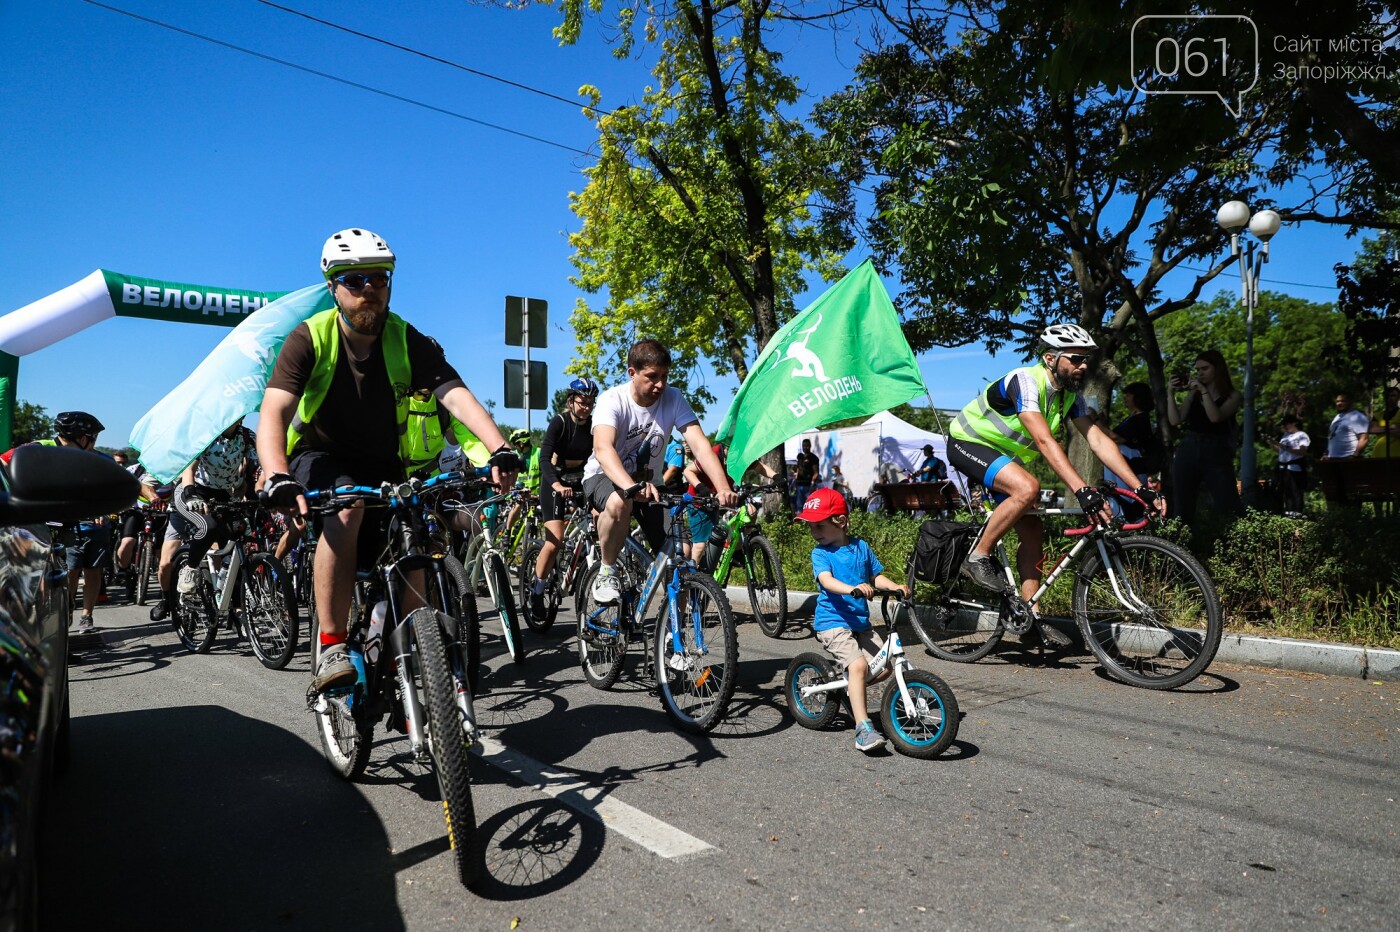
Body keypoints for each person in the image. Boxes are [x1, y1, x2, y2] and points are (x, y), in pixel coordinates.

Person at [256, 228, 518, 694]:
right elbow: (274, 411)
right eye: (354, 280)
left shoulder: (405, 337)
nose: (368, 290)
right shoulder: (310, 338)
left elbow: (455, 396)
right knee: (345, 509)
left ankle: (415, 654)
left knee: (414, 529)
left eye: (379, 278)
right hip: (319, 455)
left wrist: (499, 447)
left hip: (384, 461)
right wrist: (277, 475)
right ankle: (333, 644)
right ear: (333, 287)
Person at [945, 324, 1162, 648]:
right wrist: (1082, 489)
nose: (1083, 366)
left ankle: (1029, 615)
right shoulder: (1026, 381)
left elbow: (1098, 440)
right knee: (1027, 488)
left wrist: (1139, 487)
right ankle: (978, 556)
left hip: (1003, 457)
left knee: (1033, 531)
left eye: (1086, 359)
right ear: (1050, 358)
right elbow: (1044, 440)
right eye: (1076, 358)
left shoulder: (1069, 398)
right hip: (967, 441)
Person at [582, 339, 736, 604]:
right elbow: (603, 449)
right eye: (652, 377)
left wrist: (723, 487)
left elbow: (699, 444)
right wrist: (630, 487)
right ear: (632, 373)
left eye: (665, 376)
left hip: (650, 485)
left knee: (683, 552)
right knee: (620, 503)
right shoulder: (612, 400)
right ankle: (607, 569)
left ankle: (672, 629)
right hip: (604, 477)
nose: (660, 385)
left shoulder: (673, 398)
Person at [793, 488, 909, 753]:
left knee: (886, 667)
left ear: (841, 522)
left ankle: (851, 688)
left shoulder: (861, 547)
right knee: (858, 667)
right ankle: (863, 728)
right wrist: (852, 588)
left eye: (819, 525)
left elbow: (875, 576)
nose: (814, 532)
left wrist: (894, 587)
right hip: (833, 622)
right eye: (811, 526)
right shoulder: (820, 554)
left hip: (859, 623)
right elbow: (826, 581)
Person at [5, 412, 113, 629]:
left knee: (60, 585)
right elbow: (3, 462)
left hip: (63, 527)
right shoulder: (40, 447)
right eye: (93, 439)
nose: (94, 445)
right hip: (30, 525)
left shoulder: (81, 460)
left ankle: (60, 637)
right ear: (82, 438)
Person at [151, 420, 255, 622]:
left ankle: (234, 604)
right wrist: (191, 495)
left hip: (224, 494)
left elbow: (249, 475)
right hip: (193, 490)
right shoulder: (207, 433)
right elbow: (189, 470)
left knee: (240, 535)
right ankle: (190, 570)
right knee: (209, 526)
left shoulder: (248, 437)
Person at [526, 377, 599, 619]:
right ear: (571, 401)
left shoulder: (595, 425)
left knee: (600, 522)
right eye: (582, 402)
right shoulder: (560, 422)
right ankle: (537, 589)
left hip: (580, 479)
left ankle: (583, 570)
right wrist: (556, 484)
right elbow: (545, 458)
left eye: (591, 402)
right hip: (555, 479)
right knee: (555, 540)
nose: (587, 407)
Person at [1164, 350, 1244, 523]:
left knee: (1226, 503)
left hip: (1216, 449)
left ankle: (1232, 540)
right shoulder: (1194, 394)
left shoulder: (1233, 396)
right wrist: (1170, 393)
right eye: (1198, 369)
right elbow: (1175, 419)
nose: (1200, 373)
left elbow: (1215, 417)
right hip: (1189, 447)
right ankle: (1183, 544)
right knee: (1183, 504)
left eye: (1205, 369)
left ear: (1218, 369)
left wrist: (1203, 392)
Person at [680, 442, 775, 568]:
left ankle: (736, 551)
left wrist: (776, 476)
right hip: (700, 502)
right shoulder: (712, 452)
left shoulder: (739, 454)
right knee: (701, 545)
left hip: (724, 498)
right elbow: (688, 471)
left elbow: (759, 467)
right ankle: (691, 581)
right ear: (725, 447)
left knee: (750, 511)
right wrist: (701, 487)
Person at [1100, 381, 1159, 488]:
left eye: (1128, 395)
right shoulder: (1132, 418)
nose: (1125, 398)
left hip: (1131, 466)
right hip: (1125, 465)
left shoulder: (1140, 419)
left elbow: (1116, 438)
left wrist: (1095, 421)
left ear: (1138, 397)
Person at [1274, 414, 1310, 517]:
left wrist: (1285, 447)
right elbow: (1280, 450)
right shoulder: (1285, 436)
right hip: (1283, 467)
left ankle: (1297, 512)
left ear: (1294, 423)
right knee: (1285, 491)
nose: (1284, 427)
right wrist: (1272, 443)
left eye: (1286, 424)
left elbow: (1302, 451)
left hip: (1294, 468)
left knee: (1295, 491)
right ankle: (1288, 512)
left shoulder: (1301, 435)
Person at [1323, 393, 1373, 461]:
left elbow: (1364, 438)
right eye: (1337, 401)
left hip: (1349, 458)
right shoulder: (1337, 417)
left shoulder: (1358, 416)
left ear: (1350, 402)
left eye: (1343, 401)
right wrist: (1326, 454)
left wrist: (1355, 456)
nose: (1339, 403)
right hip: (1332, 458)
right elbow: (1331, 437)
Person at [1373, 386, 1400, 459]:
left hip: (1396, 455)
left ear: (1398, 397)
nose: (1390, 398)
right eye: (1387, 396)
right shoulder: (1378, 414)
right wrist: (1393, 427)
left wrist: (1381, 427)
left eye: (1393, 396)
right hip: (1379, 454)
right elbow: (1372, 429)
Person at [792, 438, 819, 510]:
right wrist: (795, 483)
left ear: (810, 446)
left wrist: (812, 484)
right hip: (799, 485)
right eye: (803, 446)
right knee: (799, 506)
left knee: (809, 505)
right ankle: (799, 519)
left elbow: (816, 472)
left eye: (807, 446)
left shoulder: (813, 457)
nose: (805, 447)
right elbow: (798, 470)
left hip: (808, 485)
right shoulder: (800, 457)